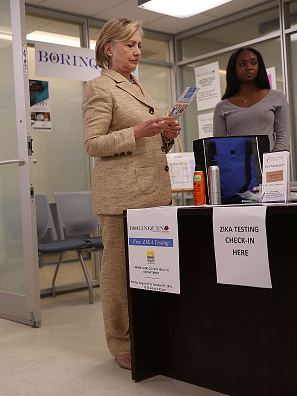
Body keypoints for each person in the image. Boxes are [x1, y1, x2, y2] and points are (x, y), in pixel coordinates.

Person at [82, 17, 181, 370]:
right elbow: (93, 144)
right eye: (130, 45)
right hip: (120, 198)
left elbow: (146, 143)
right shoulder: (99, 87)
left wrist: (165, 136)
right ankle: (121, 342)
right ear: (108, 48)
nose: (137, 51)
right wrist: (139, 131)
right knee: (118, 274)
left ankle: (150, 331)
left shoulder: (139, 87)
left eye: (139, 44)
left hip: (152, 192)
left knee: (151, 270)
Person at [213, 47, 290, 151]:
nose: (249, 67)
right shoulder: (222, 107)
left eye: (253, 63)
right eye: (242, 64)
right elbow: (219, 145)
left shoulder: (277, 97)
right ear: (233, 68)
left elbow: (283, 139)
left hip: (270, 164)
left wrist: (272, 163)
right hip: (236, 165)